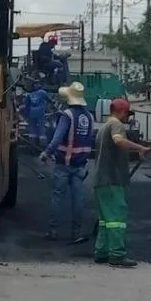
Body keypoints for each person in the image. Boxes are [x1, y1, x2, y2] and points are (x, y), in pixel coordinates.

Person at [91, 97, 151, 268]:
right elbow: (118, 140)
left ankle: (101, 252)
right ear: (121, 112)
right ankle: (117, 254)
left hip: (100, 180)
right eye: (127, 114)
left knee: (105, 220)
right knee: (117, 219)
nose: (128, 118)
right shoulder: (116, 125)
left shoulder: (103, 127)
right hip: (112, 180)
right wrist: (140, 148)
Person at [40, 81, 95, 243]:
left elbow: (57, 138)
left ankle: (53, 230)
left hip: (64, 164)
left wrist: (46, 152)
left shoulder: (67, 115)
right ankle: (76, 233)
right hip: (81, 166)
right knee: (78, 199)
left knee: (58, 197)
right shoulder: (89, 117)